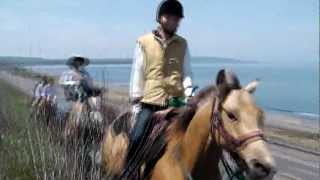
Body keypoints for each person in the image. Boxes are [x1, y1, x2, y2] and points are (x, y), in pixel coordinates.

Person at [126, 0, 194, 172]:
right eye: (174, 19)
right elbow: (138, 73)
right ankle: (128, 172)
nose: (177, 22)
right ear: (162, 18)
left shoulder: (182, 44)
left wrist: (188, 98)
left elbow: (187, 74)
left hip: (176, 104)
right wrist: (136, 104)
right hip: (150, 103)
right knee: (137, 137)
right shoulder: (144, 42)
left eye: (178, 19)